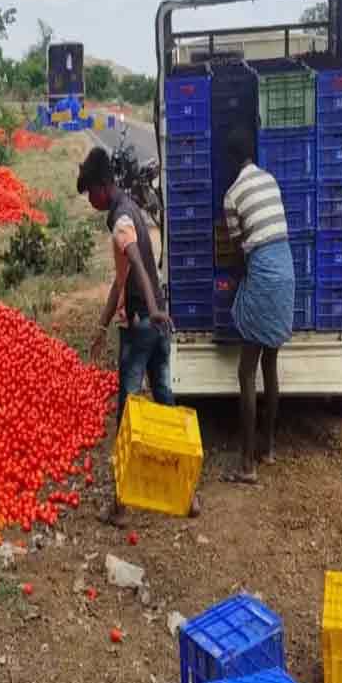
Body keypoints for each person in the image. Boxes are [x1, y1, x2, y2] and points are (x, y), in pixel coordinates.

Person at [77, 146, 200, 525]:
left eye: (90, 194)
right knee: (165, 404)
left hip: (144, 324)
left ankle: (119, 504)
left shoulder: (120, 222)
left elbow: (134, 262)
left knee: (127, 410)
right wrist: (100, 327)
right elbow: (121, 280)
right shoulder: (130, 207)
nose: (91, 202)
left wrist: (150, 307)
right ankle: (189, 496)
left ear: (102, 187)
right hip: (158, 324)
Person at [219, 127, 295, 485]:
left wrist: (234, 279)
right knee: (271, 363)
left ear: (231, 160)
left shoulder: (232, 195)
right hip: (287, 271)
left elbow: (237, 251)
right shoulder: (270, 180)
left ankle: (247, 465)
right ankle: (269, 448)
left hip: (264, 275)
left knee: (245, 371)